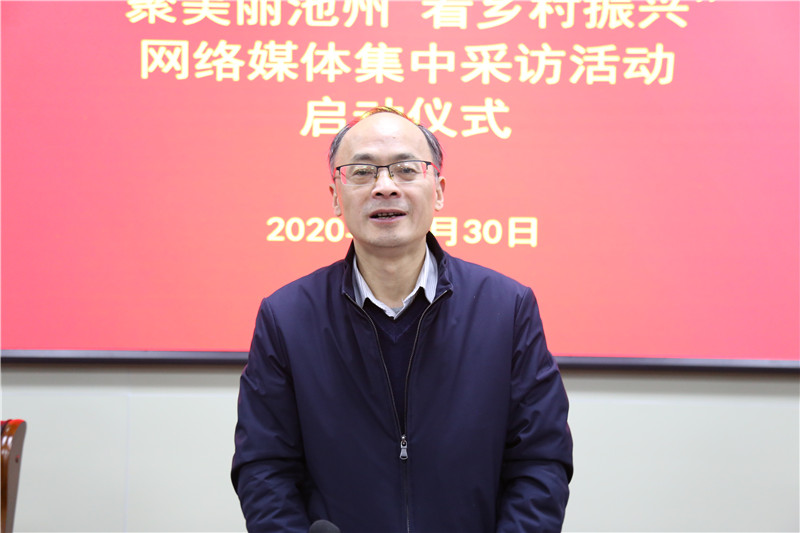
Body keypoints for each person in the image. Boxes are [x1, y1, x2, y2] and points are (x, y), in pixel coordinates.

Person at [231, 106, 573, 533]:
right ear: (335, 197)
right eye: (362, 172)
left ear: (439, 191)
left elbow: (540, 460)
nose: (385, 187)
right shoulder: (287, 317)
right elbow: (264, 467)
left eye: (406, 170)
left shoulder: (507, 308)